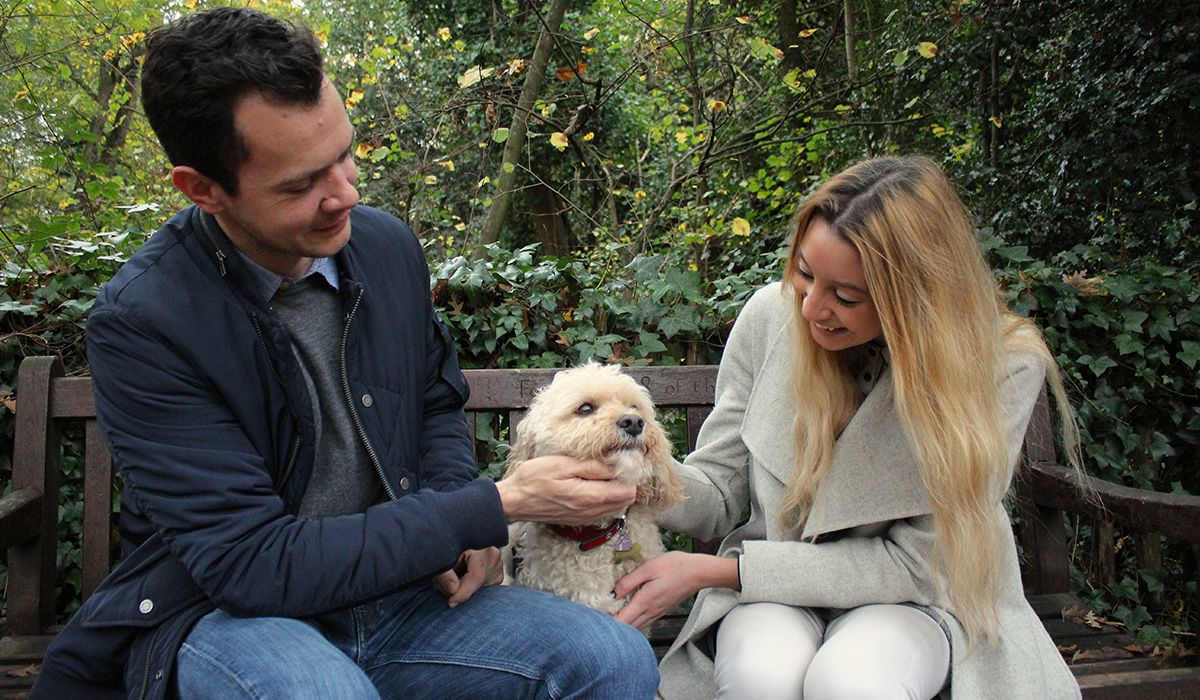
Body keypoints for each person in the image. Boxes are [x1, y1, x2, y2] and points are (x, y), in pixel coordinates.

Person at [30, 7, 659, 699]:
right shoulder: (145, 321)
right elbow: (252, 565)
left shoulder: (384, 248)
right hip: (234, 618)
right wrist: (488, 507)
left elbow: (432, 399)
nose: (347, 194)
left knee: (614, 661)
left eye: (344, 155)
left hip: (405, 598)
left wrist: (464, 525)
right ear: (202, 189)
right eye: (301, 184)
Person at [613, 156, 1085, 699]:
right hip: (774, 592)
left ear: (915, 296)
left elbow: (917, 565)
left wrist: (717, 572)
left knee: (852, 683)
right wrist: (628, 462)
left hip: (921, 600)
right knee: (760, 679)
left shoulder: (998, 363)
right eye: (805, 274)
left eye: (847, 296)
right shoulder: (771, 314)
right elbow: (718, 490)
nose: (812, 308)